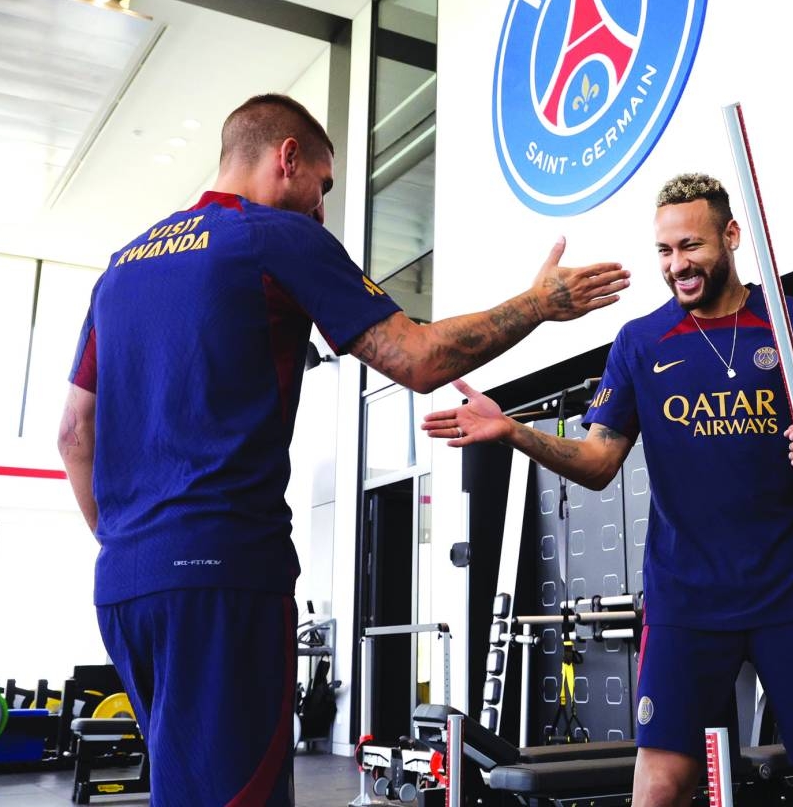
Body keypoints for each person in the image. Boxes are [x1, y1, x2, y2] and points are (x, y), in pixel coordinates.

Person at [56, 93, 630, 807]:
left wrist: (128, 545)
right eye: (322, 187)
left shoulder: (120, 267)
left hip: (124, 584)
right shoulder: (272, 237)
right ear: (286, 158)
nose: (323, 210)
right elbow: (416, 358)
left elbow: (74, 434)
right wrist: (537, 305)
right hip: (224, 574)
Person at [423, 172, 793, 807]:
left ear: (731, 235)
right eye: (664, 251)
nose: (677, 265)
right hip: (685, 594)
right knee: (661, 782)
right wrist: (513, 431)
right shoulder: (640, 342)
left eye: (691, 246)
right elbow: (598, 460)